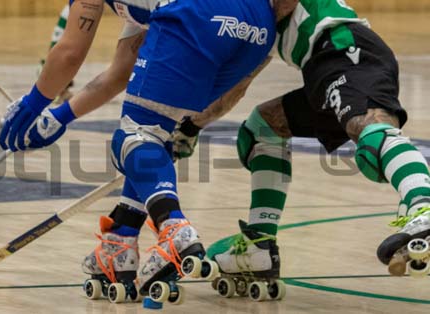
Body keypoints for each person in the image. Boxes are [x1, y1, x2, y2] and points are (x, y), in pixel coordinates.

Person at [0, 0, 276, 304]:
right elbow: (119, 73)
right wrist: (58, 117)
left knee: (135, 137)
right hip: (256, 26)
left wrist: (33, 104)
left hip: (199, 14)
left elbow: (70, 53)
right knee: (153, 133)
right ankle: (121, 242)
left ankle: (174, 229)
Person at [173, 0, 430, 299]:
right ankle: (260, 243)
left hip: (343, 47)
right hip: (320, 66)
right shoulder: (250, 18)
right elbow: (238, 85)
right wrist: (189, 128)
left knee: (370, 135)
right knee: (262, 129)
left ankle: (422, 205)